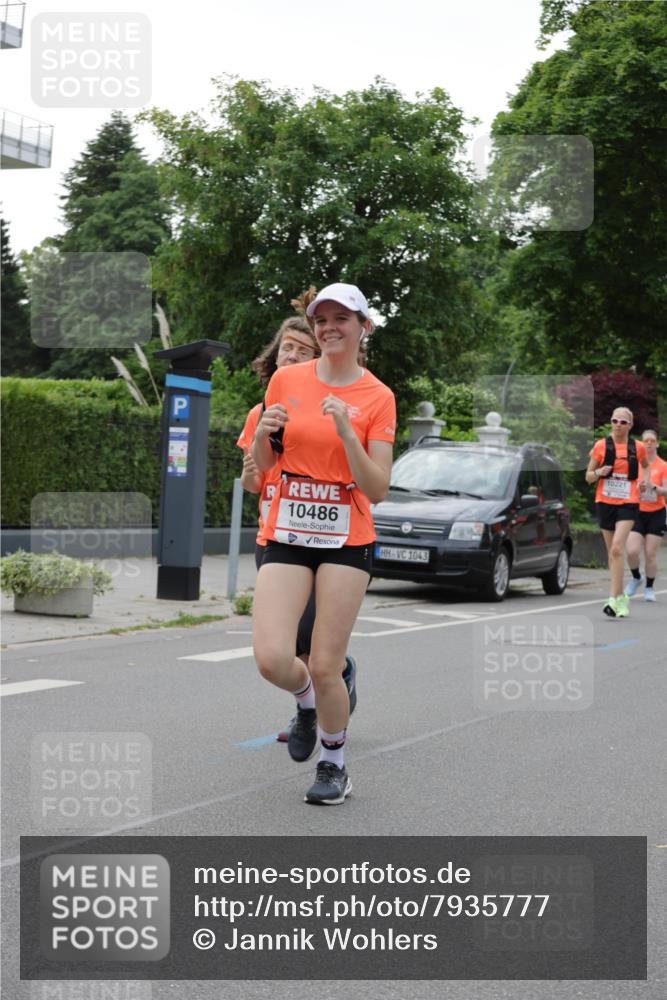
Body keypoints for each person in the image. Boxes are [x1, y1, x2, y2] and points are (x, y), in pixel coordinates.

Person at [250, 283, 395, 804]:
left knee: (326, 663)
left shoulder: (378, 396)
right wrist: (265, 434)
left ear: (363, 327)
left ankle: (334, 763)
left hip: (346, 538)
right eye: (321, 319)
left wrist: (347, 429)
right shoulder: (287, 379)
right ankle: (306, 704)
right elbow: (265, 468)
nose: (329, 327)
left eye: (341, 318)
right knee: (272, 658)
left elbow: (376, 487)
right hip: (288, 531)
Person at [236, 313, 358, 743]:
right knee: (282, 647)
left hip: (323, 537)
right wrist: (254, 464)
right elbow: (254, 481)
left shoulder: (329, 407)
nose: (291, 354)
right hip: (273, 535)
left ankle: (323, 697)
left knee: (308, 644)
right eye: (286, 347)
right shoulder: (263, 410)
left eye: (301, 350)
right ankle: (310, 703)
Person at [586, 406, 650, 617]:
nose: (618, 425)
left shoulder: (638, 447)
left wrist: (643, 482)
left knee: (616, 549)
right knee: (612, 554)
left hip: (628, 501)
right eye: (615, 421)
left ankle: (612, 600)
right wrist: (599, 471)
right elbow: (588, 477)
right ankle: (621, 597)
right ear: (611, 422)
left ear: (630, 425)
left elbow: (646, 466)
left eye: (623, 422)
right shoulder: (601, 446)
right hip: (605, 501)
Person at [624, 428, 667, 602]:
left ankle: (649, 587)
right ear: (641, 444)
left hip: (656, 512)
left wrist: (653, 487)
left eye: (652, 441)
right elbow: (627, 485)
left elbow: (666, 491)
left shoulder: (663, 465)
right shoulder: (635, 463)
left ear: (656, 443)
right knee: (632, 550)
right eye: (645, 441)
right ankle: (636, 577)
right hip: (637, 511)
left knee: (650, 553)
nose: (649, 444)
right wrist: (637, 488)